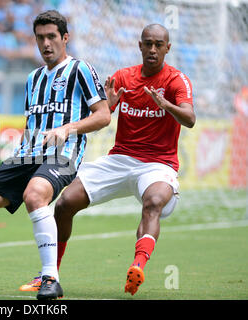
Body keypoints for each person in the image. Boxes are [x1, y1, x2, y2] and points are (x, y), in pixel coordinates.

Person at [20, 23, 196, 296]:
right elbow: (100, 116)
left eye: (158, 45)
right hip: (119, 159)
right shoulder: (123, 78)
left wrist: (167, 105)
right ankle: (49, 275)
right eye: (147, 43)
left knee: (153, 203)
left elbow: (190, 119)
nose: (152, 49)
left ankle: (137, 266)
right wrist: (110, 103)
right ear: (139, 46)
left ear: (167, 48)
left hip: (157, 165)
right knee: (65, 204)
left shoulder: (176, 81)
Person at [0, 10, 111, 300]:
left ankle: (50, 278)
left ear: (65, 38)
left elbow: (103, 116)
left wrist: (68, 129)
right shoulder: (32, 78)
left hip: (63, 153)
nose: (46, 43)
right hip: (28, 153)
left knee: (35, 195)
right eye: (40, 38)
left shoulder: (80, 69)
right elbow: (32, 123)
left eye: (52, 37)